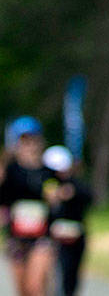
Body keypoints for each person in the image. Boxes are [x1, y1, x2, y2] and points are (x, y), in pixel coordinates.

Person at [0, 117, 55, 296]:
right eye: (24, 141)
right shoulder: (9, 171)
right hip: (16, 238)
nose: (29, 145)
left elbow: (59, 199)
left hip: (41, 237)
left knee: (35, 287)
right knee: (23, 291)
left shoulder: (48, 172)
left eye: (33, 140)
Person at [43, 146, 93, 296]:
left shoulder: (75, 184)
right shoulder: (46, 184)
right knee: (56, 275)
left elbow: (89, 197)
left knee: (71, 275)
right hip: (54, 238)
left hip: (75, 236)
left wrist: (72, 193)